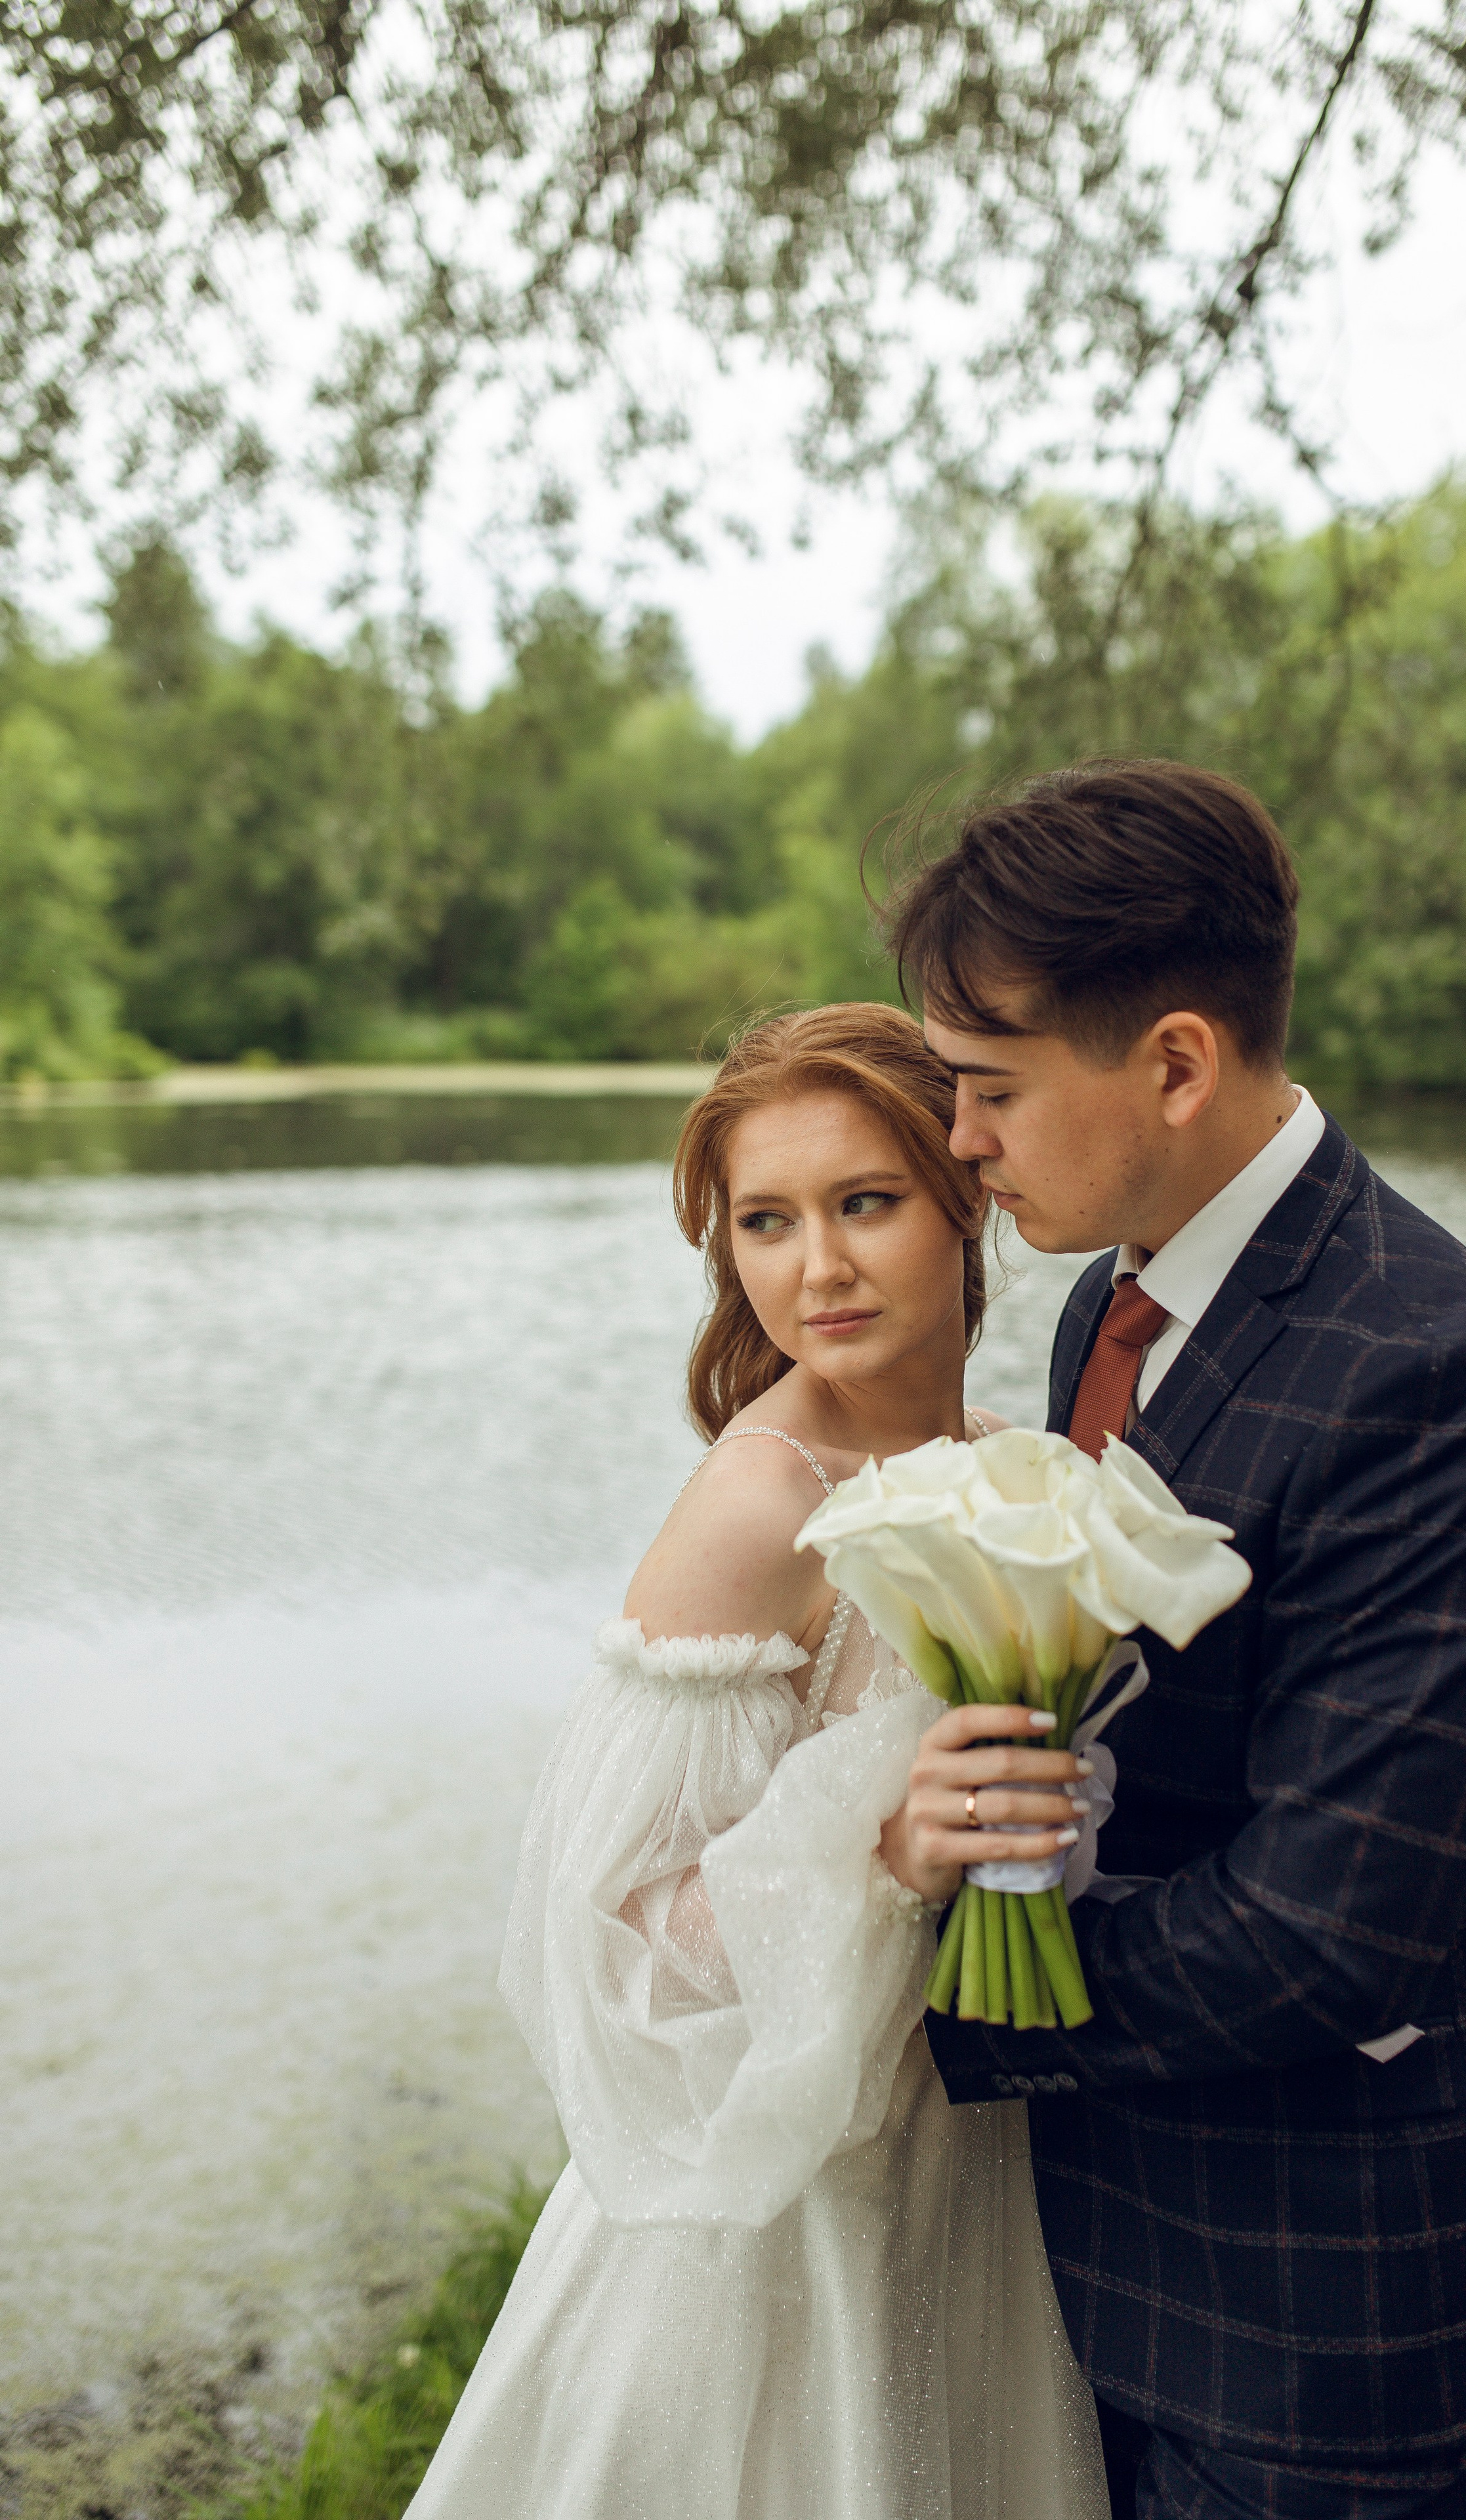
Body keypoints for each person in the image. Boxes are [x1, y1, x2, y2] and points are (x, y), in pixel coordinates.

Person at [879, 759, 1466, 2520]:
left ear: (1179, 1063)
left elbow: (1322, 1938)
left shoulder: (1430, 1381)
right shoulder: (1108, 1300)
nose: (958, 1144)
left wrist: (933, 2019)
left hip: (1329, 2294)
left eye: (988, 1092)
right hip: (1134, 2221)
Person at [404, 1003, 1111, 2520]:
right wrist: (882, 1859)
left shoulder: (1012, 1461)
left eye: (866, 1202)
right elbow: (612, 1947)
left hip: (977, 2151)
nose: (819, 1269)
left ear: (963, 1194)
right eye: (766, 1223)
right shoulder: (756, 1505)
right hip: (786, 2213)